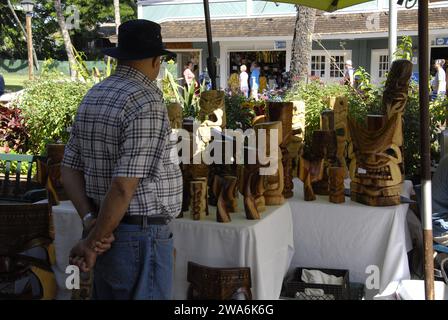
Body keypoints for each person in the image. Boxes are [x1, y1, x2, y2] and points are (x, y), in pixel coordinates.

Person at [61, 19, 183, 300]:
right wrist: (93, 242)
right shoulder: (146, 101)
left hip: (109, 231)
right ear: (156, 60)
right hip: (137, 235)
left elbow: (69, 168)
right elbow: (122, 186)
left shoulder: (94, 94)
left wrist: (92, 221)